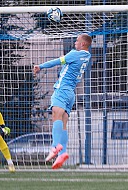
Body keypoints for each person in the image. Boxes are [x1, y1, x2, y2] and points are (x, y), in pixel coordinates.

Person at [33, 33, 92, 169]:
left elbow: (57, 61)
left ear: (83, 44)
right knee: (63, 121)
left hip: (62, 89)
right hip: (71, 93)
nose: (75, 43)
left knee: (56, 115)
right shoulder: (87, 57)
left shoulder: (74, 54)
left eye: (77, 41)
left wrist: (40, 66)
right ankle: (62, 153)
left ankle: (55, 147)